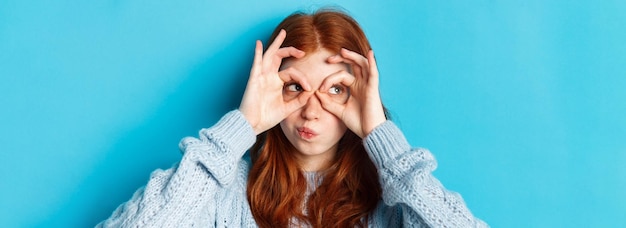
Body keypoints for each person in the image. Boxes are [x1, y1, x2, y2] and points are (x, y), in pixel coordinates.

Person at [97, 9, 488, 228]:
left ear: (362, 95)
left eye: (336, 89)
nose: (312, 109)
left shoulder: (394, 206)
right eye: (295, 87)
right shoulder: (224, 191)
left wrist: (382, 138)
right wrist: (241, 126)